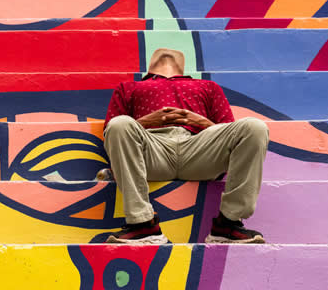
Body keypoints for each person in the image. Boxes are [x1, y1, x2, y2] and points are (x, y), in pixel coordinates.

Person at [101, 48, 268, 244]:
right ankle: (142, 224)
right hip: (152, 150)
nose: (167, 53)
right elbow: (110, 134)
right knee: (120, 123)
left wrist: (201, 122)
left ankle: (228, 224)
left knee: (254, 127)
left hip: (199, 149)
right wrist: (147, 121)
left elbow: (233, 136)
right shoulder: (128, 87)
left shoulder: (209, 86)